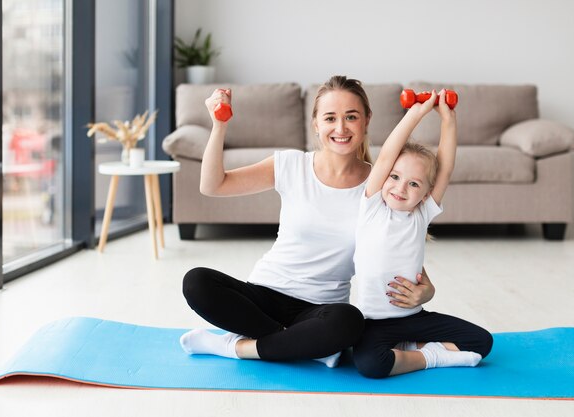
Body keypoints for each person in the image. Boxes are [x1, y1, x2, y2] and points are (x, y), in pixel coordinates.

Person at [179, 76, 436, 367]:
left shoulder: (381, 188)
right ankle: (303, 345)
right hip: (264, 295)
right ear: (316, 124)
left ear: (366, 121)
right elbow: (213, 186)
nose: (341, 128)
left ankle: (235, 347)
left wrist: (427, 290)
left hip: (320, 310)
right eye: (330, 118)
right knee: (197, 281)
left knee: (348, 321)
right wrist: (219, 124)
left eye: (351, 117)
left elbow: (400, 247)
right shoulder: (291, 165)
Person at [352, 89, 493, 378]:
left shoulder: (421, 214)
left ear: (427, 193)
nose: (400, 188)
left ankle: (414, 348)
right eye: (395, 177)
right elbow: (386, 157)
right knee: (370, 365)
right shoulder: (372, 207)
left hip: (414, 317)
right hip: (374, 321)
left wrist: (448, 120)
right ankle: (430, 356)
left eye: (414, 184)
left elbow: (446, 167)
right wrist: (415, 113)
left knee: (482, 341)